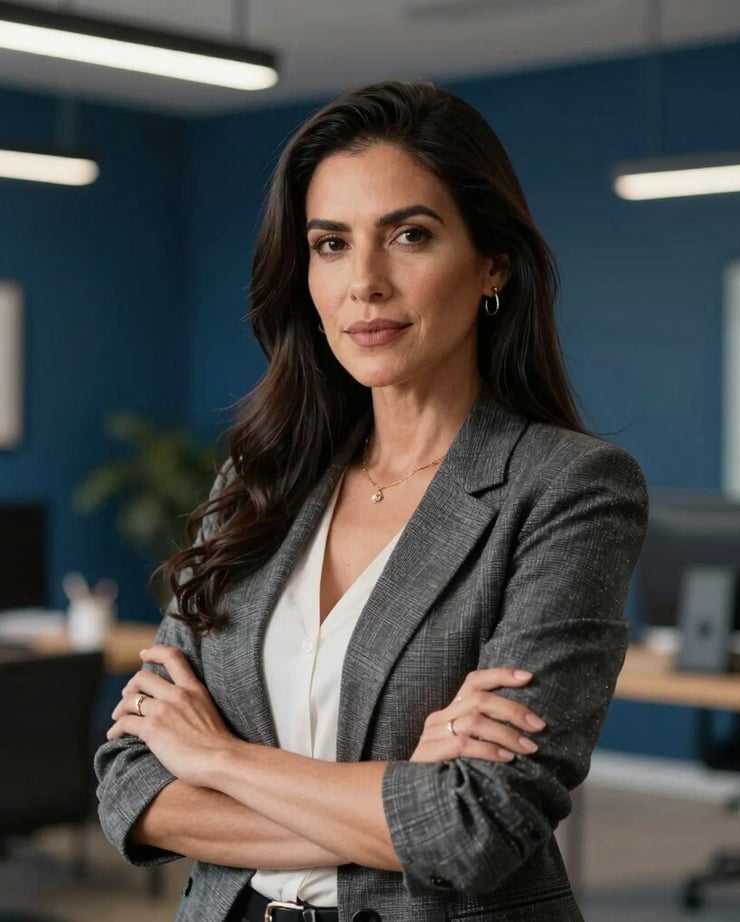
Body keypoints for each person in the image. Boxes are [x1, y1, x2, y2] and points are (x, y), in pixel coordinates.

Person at [95, 80, 648, 922]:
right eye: (330, 244)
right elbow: (131, 786)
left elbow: (478, 827)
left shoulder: (567, 488)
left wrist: (216, 759)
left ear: (490, 262)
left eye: (410, 236)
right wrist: (396, 801)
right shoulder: (257, 478)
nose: (365, 283)